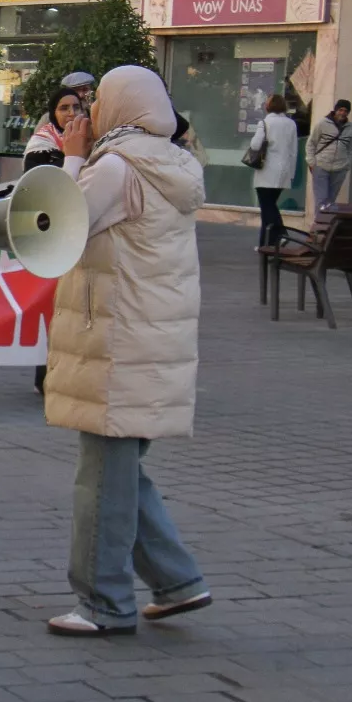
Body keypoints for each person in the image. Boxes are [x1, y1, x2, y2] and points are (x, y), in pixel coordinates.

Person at [41, 65, 210, 638]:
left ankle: (103, 602)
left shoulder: (116, 164)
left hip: (113, 338)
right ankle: (177, 580)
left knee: (101, 480)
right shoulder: (171, 160)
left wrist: (70, 156)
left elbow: (59, 227)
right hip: (147, 336)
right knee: (120, 474)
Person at [249, 93, 298, 247]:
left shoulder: (265, 123)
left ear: (268, 106)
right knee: (270, 206)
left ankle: (280, 234)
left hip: (267, 171)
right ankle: (267, 242)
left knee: (267, 207)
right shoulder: (291, 124)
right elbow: (293, 150)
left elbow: (255, 145)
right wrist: (291, 173)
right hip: (283, 171)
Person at [21, 85, 91, 173]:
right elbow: (34, 176)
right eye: (64, 108)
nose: (72, 113)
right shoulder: (42, 141)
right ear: (54, 113)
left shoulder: (90, 135)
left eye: (76, 107)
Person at [305, 98, 352, 212]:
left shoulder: (351, 128)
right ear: (335, 110)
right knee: (321, 201)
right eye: (340, 110)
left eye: (346, 111)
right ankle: (318, 227)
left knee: (330, 202)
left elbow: (351, 148)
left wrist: (347, 165)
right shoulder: (322, 124)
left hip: (340, 167)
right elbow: (311, 143)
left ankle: (327, 227)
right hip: (321, 165)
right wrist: (312, 162)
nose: (342, 113)